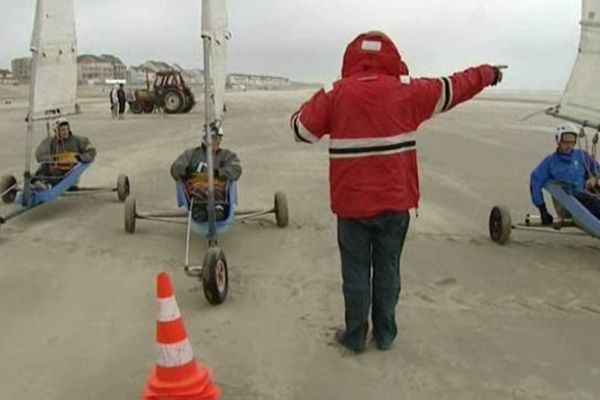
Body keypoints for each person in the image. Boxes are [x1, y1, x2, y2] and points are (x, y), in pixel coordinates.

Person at [290, 31, 503, 353]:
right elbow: (455, 85)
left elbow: (301, 130)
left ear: (351, 59)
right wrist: (488, 73)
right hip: (395, 204)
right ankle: (386, 335)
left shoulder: (336, 93)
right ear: (392, 58)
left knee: (356, 272)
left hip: (352, 207)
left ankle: (355, 336)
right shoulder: (409, 92)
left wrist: (324, 97)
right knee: (388, 267)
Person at [530, 123, 600, 223]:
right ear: (558, 140)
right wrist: (542, 209)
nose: (569, 146)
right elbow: (535, 182)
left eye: (572, 142)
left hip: (586, 196)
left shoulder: (581, 156)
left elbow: (596, 169)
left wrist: (594, 177)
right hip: (568, 203)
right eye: (565, 142)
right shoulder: (550, 162)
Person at [170, 127, 241, 222]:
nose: (218, 141)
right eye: (214, 138)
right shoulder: (191, 154)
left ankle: (218, 208)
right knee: (197, 189)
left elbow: (236, 169)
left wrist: (217, 172)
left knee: (217, 193)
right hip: (196, 193)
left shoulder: (226, 155)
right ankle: (199, 208)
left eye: (219, 138)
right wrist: (187, 170)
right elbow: (175, 170)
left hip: (217, 193)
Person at [33, 118, 96, 189]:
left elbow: (91, 152)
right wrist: (50, 160)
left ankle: (47, 186)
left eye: (67, 129)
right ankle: (35, 182)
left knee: (57, 175)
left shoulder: (78, 140)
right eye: (62, 130)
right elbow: (39, 156)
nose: (65, 132)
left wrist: (80, 157)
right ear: (56, 131)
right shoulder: (50, 142)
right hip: (55, 167)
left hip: (69, 170)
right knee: (43, 168)